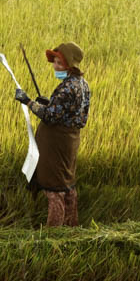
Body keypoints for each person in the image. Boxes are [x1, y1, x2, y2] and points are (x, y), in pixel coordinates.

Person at [14, 42, 90, 227]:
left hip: (56, 143)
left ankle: (53, 234)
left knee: (53, 189)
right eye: (54, 62)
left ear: (69, 65)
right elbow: (68, 111)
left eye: (59, 63)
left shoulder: (66, 88)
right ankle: (71, 227)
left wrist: (29, 102)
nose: (55, 66)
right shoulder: (82, 84)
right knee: (67, 185)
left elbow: (50, 116)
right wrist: (48, 102)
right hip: (70, 140)